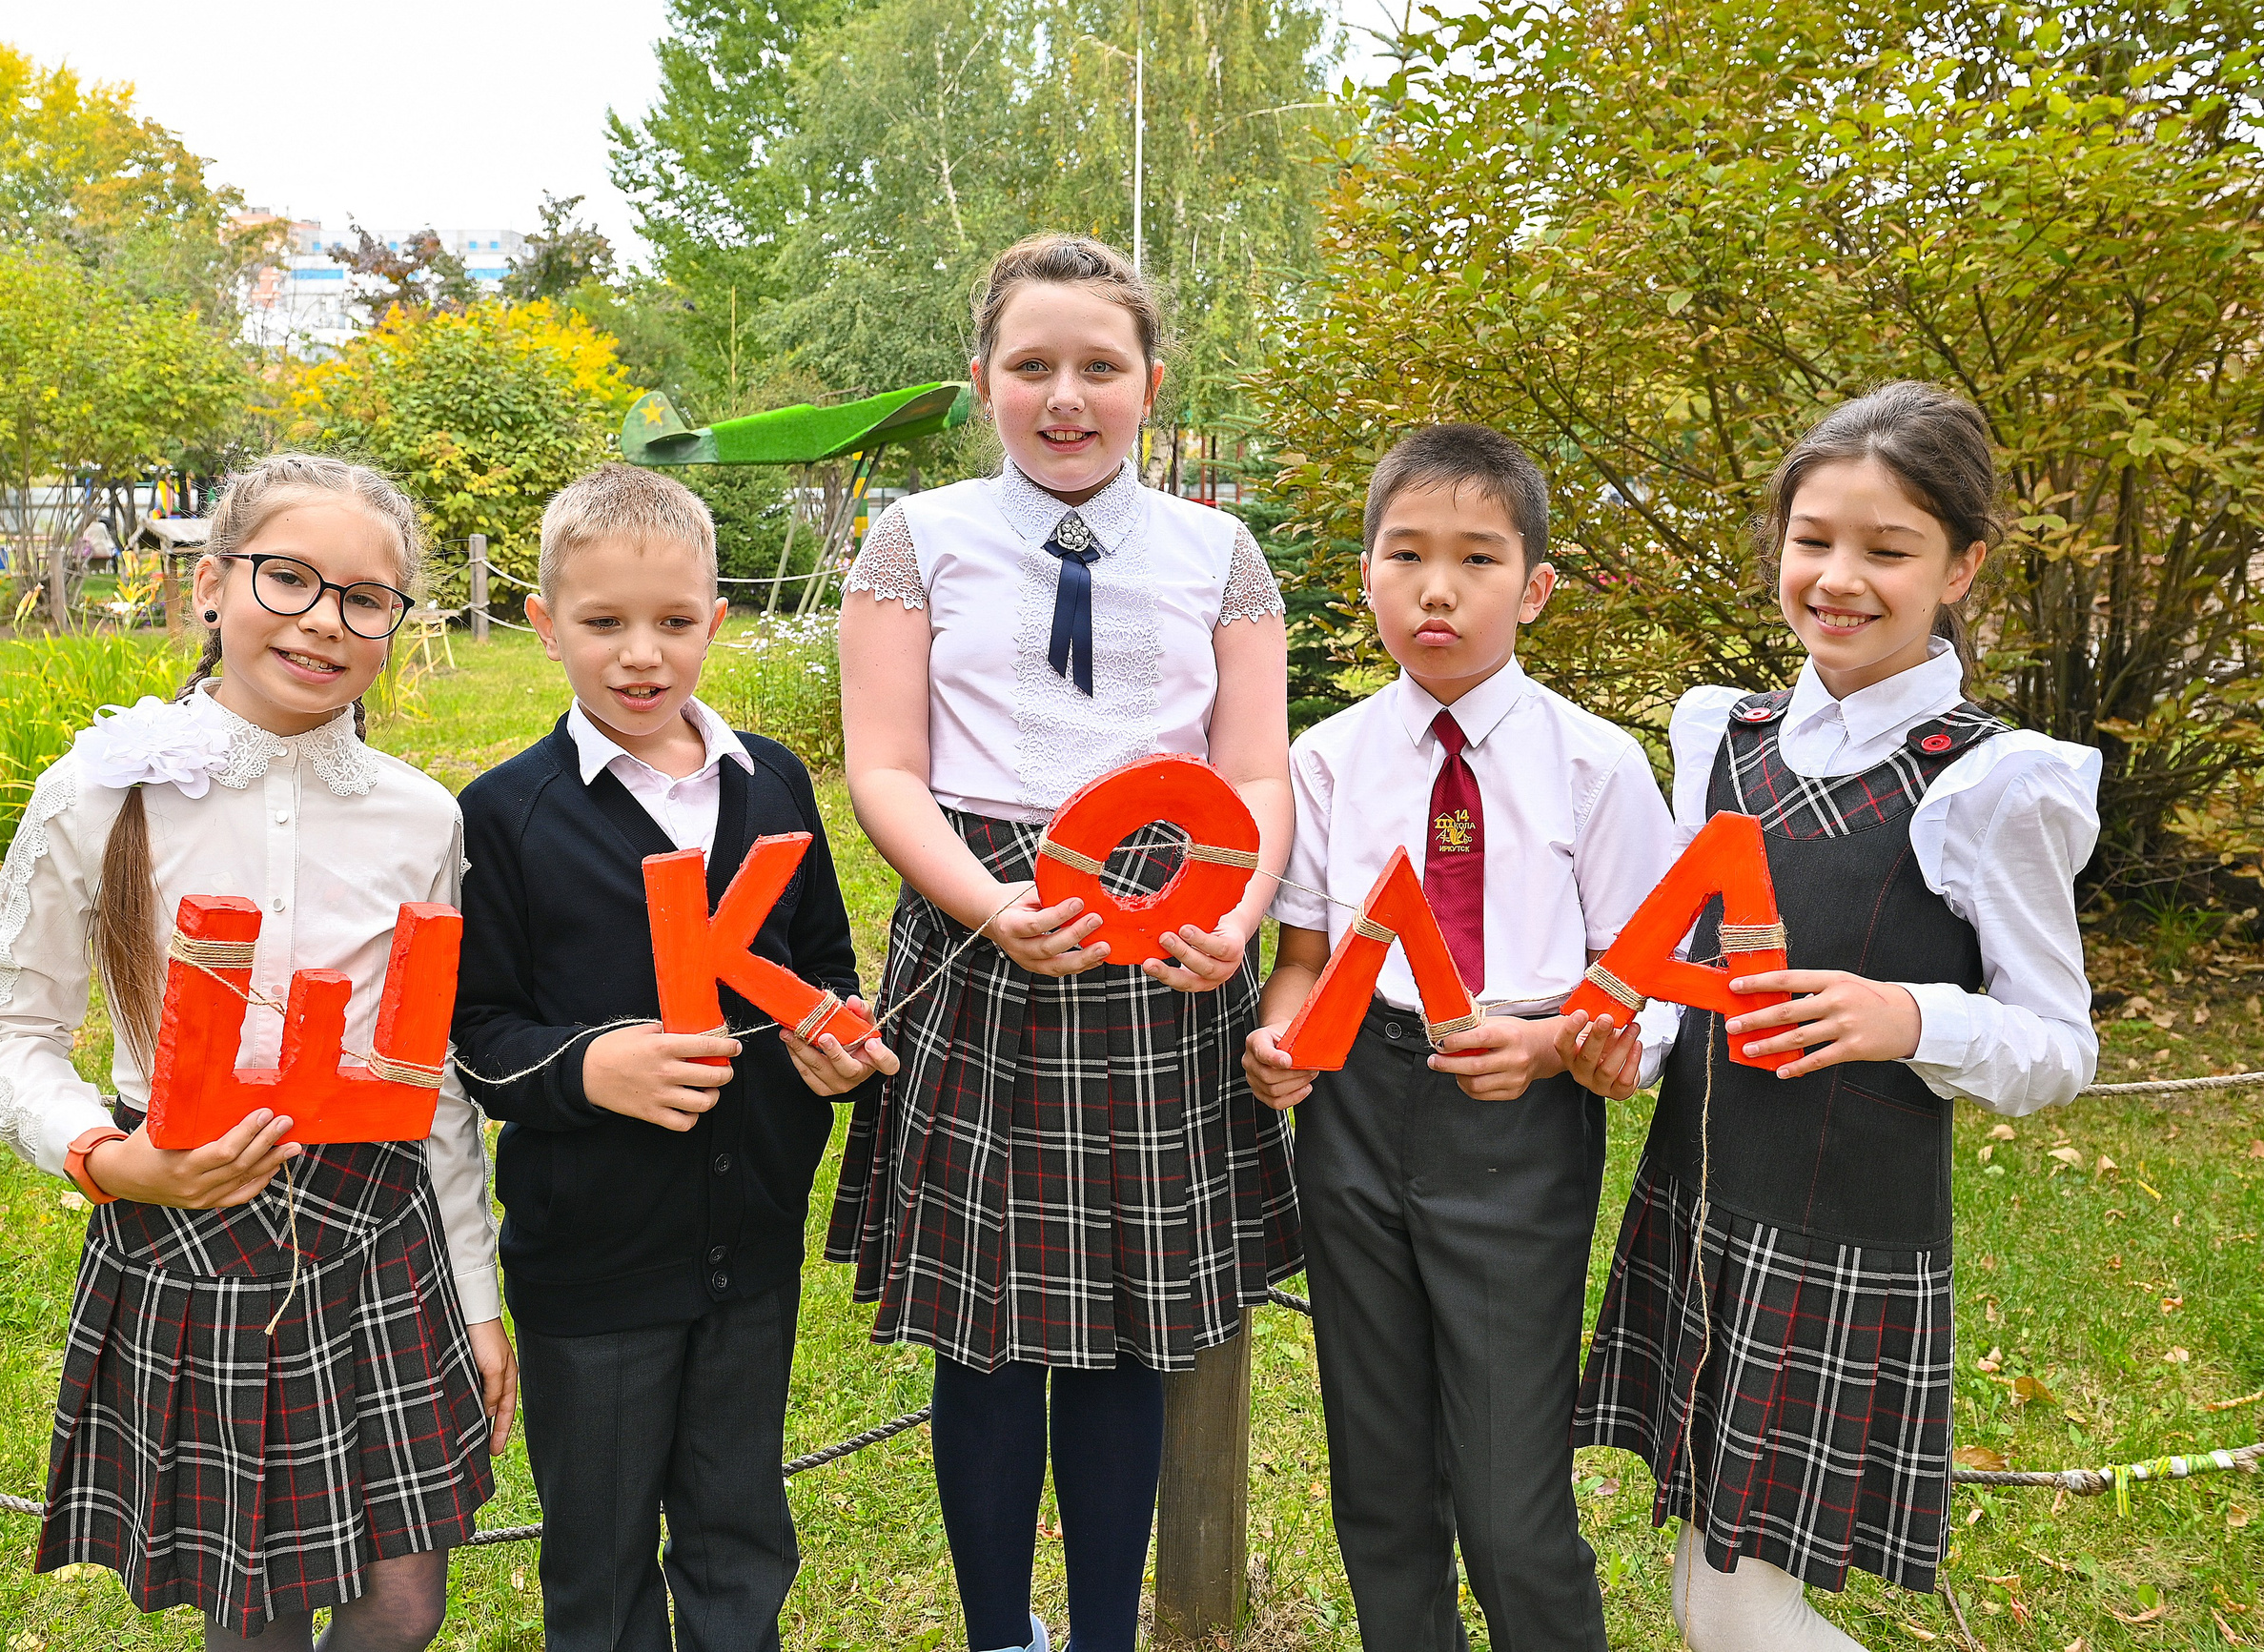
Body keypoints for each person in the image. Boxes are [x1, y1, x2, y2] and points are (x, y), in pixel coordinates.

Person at [1563, 382, 2101, 1652]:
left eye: (1887, 549)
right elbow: (1682, 966)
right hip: (1699, 1205)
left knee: (1736, 1609)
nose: (1839, 578)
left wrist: (1908, 1016)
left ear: (1961, 567)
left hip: (1838, 1240)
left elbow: (2060, 1049)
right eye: (1812, 539)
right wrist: (1631, 1045)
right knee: (1701, 1594)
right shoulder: (1721, 733)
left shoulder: (1992, 783)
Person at [826, 232, 1301, 1652]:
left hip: (1165, 944)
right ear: (983, 378)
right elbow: (884, 766)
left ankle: (1103, 1637)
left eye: (1100, 365)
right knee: (985, 1335)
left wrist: (1231, 912)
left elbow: (1256, 771)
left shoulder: (1221, 554)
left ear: (1152, 381)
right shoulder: (916, 539)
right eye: (1032, 365)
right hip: (984, 929)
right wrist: (987, 906)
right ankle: (999, 1635)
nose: (1066, 396)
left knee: (1129, 1328)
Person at [0, 453, 515, 1648]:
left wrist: (476, 1294)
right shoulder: (100, 792)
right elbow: (7, 1032)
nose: (324, 620)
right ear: (211, 586)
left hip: (378, 1230)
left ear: (395, 624)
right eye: (288, 578)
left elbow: (432, 1077)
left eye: (364, 597)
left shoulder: (423, 815)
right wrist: (110, 1158)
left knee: (405, 1602)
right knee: (249, 1608)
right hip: (187, 1221)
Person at [449, 462, 895, 1652]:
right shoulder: (504, 815)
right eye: (603, 622)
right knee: (598, 1553)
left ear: (717, 618)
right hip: (591, 1258)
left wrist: (830, 1038)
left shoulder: (775, 782)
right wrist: (588, 1069)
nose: (641, 655)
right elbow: (477, 1033)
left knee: (738, 1526)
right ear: (545, 624)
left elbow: (818, 960)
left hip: (751, 1240)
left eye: (674, 621)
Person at [1241, 424, 1672, 1651]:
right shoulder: (1324, 760)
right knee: (1379, 1475)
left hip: (1517, 1116)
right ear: (1365, 577)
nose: (1439, 588)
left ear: (1534, 587)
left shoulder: (1595, 764)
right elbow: (1304, 958)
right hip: (1354, 1116)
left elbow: (1647, 978)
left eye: (1478, 558)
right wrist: (1281, 1040)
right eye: (1407, 554)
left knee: (1507, 1503)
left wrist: (1558, 1046)